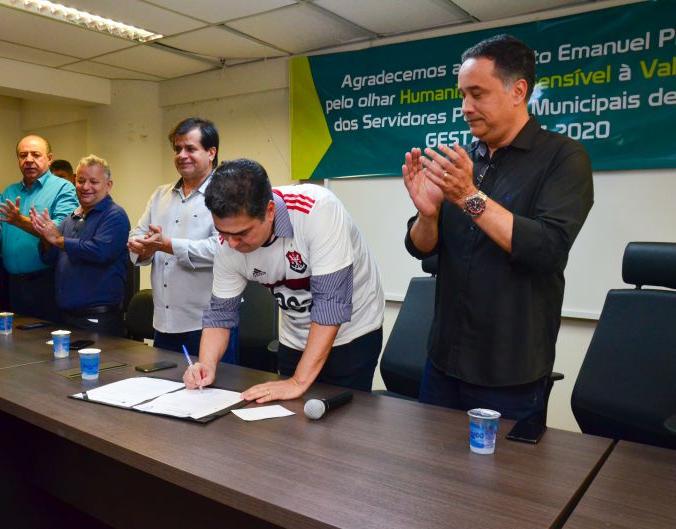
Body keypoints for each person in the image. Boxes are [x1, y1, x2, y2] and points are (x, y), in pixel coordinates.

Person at [403, 34, 594, 420]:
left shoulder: (563, 157)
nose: (465, 107)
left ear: (517, 91)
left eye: (477, 94)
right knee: (429, 460)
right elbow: (421, 249)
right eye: (462, 95)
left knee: (502, 464)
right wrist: (427, 215)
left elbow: (548, 248)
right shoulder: (464, 161)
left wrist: (468, 197)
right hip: (442, 363)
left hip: (508, 374)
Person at [183, 158, 384, 403]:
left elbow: (330, 305)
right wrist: (206, 364)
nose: (231, 244)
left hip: (352, 332)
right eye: (223, 232)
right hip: (296, 335)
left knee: (347, 417)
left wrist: (298, 382)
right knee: (290, 414)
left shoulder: (318, 210)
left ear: (269, 211)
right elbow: (220, 314)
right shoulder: (228, 243)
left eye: (242, 233)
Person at [128, 117, 236, 359]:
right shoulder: (160, 195)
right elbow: (137, 234)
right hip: (164, 322)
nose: (182, 155)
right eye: (178, 149)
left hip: (208, 323)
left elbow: (223, 249)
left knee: (214, 383)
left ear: (211, 152)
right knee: (164, 382)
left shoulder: (228, 194)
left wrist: (168, 245)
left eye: (190, 148)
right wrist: (143, 248)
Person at [0, 135, 78, 321]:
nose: (29, 160)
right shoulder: (10, 191)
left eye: (36, 155)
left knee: (45, 336)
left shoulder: (63, 188)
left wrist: (19, 220)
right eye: (23, 155)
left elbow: (60, 232)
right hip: (12, 283)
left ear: (49, 159)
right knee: (15, 336)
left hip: (47, 282)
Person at [31, 155, 130, 336]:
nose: (85, 187)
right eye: (81, 181)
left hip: (98, 319)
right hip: (66, 316)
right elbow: (50, 258)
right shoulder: (72, 217)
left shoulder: (115, 215)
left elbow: (100, 251)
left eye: (94, 182)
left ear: (108, 185)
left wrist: (58, 240)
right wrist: (45, 236)